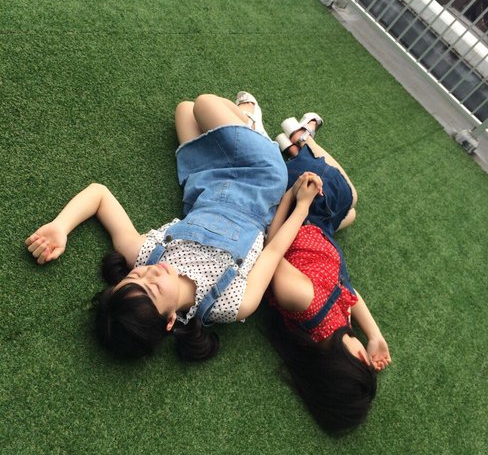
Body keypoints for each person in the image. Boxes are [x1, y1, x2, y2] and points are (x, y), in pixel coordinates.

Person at [25, 93, 322, 362]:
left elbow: (99, 195)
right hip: (261, 180)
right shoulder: (229, 303)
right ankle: (252, 122)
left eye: (135, 276)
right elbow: (273, 251)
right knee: (204, 104)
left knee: (184, 111)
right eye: (154, 288)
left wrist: (61, 226)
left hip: (207, 181)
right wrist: (302, 205)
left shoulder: (144, 256)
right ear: (169, 320)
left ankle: (250, 131)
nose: (151, 272)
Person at [267, 114, 391, 434]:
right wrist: (375, 335)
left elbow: (270, 248)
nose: (368, 360)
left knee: (349, 194)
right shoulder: (326, 333)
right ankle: (294, 148)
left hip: (303, 210)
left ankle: (302, 138)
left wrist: (297, 200)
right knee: (351, 213)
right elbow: (347, 292)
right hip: (321, 230)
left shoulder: (304, 301)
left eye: (362, 366)